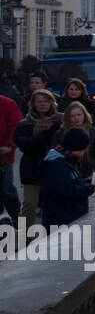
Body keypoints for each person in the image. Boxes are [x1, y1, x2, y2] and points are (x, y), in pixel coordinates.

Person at [14, 90, 63, 222]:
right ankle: (26, 238)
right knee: (29, 204)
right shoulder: (25, 123)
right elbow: (25, 145)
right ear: (33, 104)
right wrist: (46, 133)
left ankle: (55, 234)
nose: (43, 104)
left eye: (46, 101)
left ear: (52, 103)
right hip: (32, 167)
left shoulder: (62, 120)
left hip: (56, 167)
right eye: (39, 101)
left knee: (54, 204)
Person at [39, 128, 95, 228]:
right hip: (62, 220)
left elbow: (71, 184)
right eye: (82, 150)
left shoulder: (65, 162)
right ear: (74, 148)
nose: (83, 154)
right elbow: (66, 190)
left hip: (67, 217)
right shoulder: (57, 166)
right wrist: (89, 188)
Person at [53, 101, 95, 191]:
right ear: (68, 117)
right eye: (72, 116)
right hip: (68, 173)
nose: (76, 118)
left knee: (83, 199)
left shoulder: (93, 132)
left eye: (79, 115)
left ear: (85, 115)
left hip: (87, 171)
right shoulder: (61, 133)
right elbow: (54, 151)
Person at [0, 92, 22, 224]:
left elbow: (16, 126)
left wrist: (8, 145)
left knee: (6, 189)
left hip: (3, 157)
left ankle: (17, 217)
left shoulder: (7, 103)